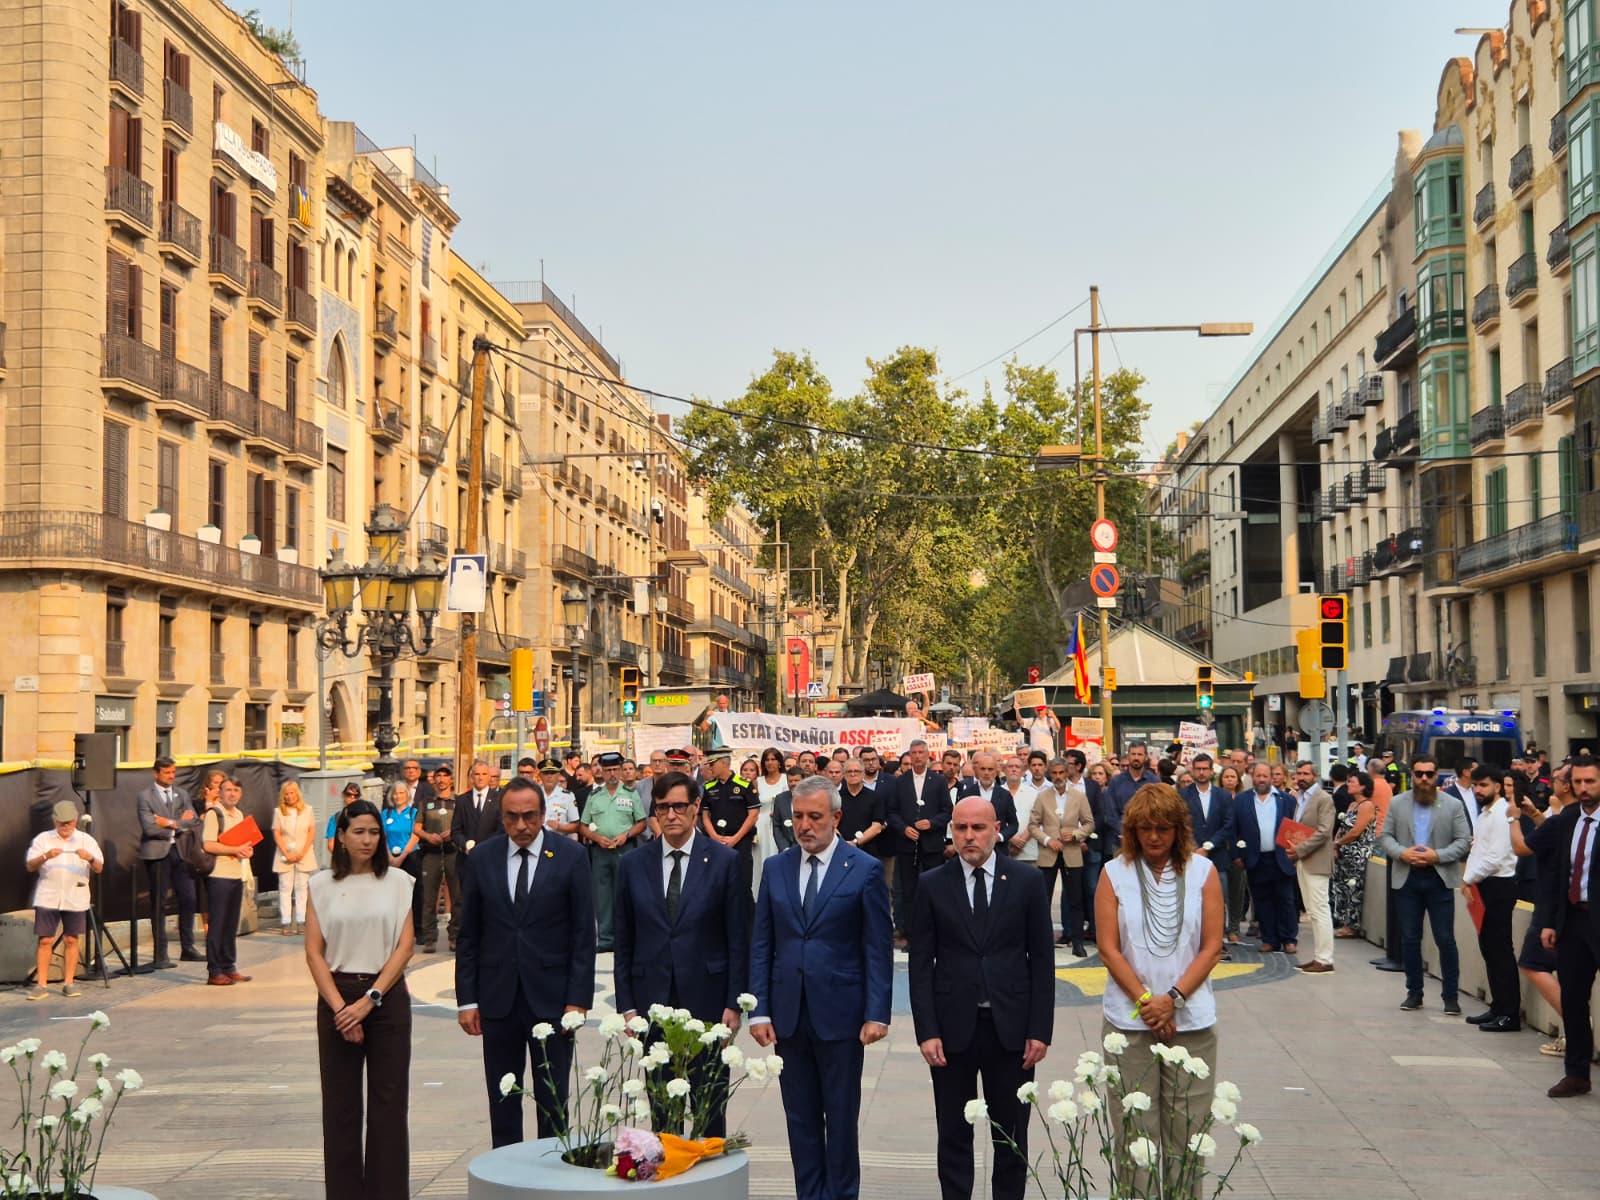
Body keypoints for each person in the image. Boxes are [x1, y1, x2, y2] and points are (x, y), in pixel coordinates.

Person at [750, 774, 892, 1200]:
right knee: (801, 1119)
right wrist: (759, 1009)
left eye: (815, 817)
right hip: (789, 1015)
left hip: (842, 1015)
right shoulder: (776, 868)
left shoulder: (864, 870)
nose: (805, 826)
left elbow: (877, 948)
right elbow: (762, 942)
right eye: (798, 817)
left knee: (841, 1118)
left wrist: (876, 1012)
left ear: (837, 817)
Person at [910, 797, 1053, 1200]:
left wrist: (1040, 1030)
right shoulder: (932, 883)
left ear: (996, 830)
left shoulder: (1026, 882)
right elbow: (920, 964)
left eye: (978, 828)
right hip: (951, 1030)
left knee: (1010, 1136)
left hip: (1011, 1030)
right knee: (953, 1133)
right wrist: (927, 1031)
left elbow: (1042, 961)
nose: (969, 836)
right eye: (961, 828)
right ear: (951, 831)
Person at [1096, 784, 1224, 1196]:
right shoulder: (1114, 873)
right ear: (1131, 830)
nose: (1154, 837)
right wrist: (1148, 1004)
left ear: (1179, 830)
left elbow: (1211, 946)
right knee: (1136, 1135)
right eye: (1146, 828)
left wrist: (1174, 1000)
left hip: (1192, 1022)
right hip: (1129, 1022)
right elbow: (1109, 948)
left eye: (1164, 829)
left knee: (1187, 1136)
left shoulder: (1203, 872)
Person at [456, 778, 596, 1145]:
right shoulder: (483, 858)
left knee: (553, 1101)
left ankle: (550, 1178)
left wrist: (578, 1000)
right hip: (498, 1000)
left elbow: (583, 934)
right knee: (503, 1100)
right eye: (512, 817)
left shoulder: (571, 857)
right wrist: (467, 999)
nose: (521, 826)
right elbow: (468, 934)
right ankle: (507, 1179)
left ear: (543, 814)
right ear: (501, 817)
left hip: (552, 1000)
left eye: (529, 817)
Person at [613, 770, 749, 1138]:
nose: (670, 815)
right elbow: (623, 942)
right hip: (653, 1002)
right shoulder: (633, 865)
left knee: (709, 1109)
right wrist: (627, 1006)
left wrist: (734, 1004)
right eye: (662, 808)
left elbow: (739, 937)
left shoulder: (724, 862)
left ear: (695, 807)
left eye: (678, 806)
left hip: (708, 1003)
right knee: (664, 1112)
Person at [305, 799, 416, 1200]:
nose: (367, 840)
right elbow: (314, 952)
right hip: (336, 997)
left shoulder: (399, 883)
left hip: (385, 997)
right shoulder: (320, 885)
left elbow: (405, 948)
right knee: (341, 1109)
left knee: (389, 1108)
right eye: (359, 832)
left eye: (374, 832)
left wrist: (369, 1001)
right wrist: (340, 1009)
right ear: (342, 837)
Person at [1529, 752, 1600, 1097]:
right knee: (1572, 998)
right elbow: (1557, 875)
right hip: (1573, 921)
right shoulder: (1568, 818)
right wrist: (1549, 921)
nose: (1583, 788)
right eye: (1578, 782)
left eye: (1590, 782)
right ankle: (1577, 1074)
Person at [1377, 755, 1472, 1014]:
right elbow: (1385, 836)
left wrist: (1436, 856)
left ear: (1436, 774)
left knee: (1445, 939)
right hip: (1407, 878)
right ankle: (1414, 992)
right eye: (1419, 774)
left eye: (1429, 774)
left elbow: (1464, 840)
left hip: (1438, 878)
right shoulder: (1398, 803)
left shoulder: (1452, 805)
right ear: (1413, 775)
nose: (1424, 779)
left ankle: (1450, 996)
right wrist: (1402, 853)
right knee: (1409, 939)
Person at [1510, 765, 1568, 1059]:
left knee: (1533, 962)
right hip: (1565, 903)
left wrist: (1514, 819)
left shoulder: (1563, 820)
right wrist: (1534, 814)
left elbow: (1522, 848)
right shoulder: (1569, 819)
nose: (1550, 784)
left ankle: (1574, 1025)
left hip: (1552, 906)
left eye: (1556, 780)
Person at [1461, 766, 1521, 1032]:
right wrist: (1469, 880)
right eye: (1475, 785)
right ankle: (1498, 1007)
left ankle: (1510, 1013)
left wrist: (1468, 879)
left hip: (1499, 885)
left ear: (1498, 786)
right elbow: (1477, 849)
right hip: (1483, 884)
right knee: (1489, 949)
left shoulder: (1502, 813)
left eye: (1483, 785)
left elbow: (1495, 857)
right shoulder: (1485, 813)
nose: (1478, 790)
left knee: (1501, 951)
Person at [24, 801, 103, 1000]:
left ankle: (69, 982)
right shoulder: (44, 839)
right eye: (61, 823)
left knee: (71, 939)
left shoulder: (86, 840)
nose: (65, 827)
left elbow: (100, 867)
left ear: (76, 820)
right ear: (54, 821)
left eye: (69, 822)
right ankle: (41, 985)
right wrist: (45, 856)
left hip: (75, 896)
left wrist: (90, 858)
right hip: (48, 895)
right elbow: (30, 866)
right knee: (45, 940)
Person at [887, 739, 953, 946]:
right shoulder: (900, 781)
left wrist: (932, 823)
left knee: (934, 887)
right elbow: (892, 813)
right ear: (909, 755)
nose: (917, 756)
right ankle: (910, 934)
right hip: (907, 846)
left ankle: (934, 931)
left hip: (932, 845)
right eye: (913, 753)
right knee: (908, 891)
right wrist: (904, 828)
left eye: (920, 752)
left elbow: (947, 811)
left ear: (927, 755)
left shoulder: (938, 781)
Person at [136, 756, 200, 968]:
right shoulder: (144, 796)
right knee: (159, 903)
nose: (171, 776)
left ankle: (188, 947)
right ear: (156, 774)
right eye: (167, 773)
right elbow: (150, 828)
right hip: (157, 854)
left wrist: (169, 822)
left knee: (189, 898)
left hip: (180, 851)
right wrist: (179, 823)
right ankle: (160, 952)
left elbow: (193, 821)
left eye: (173, 772)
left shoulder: (181, 794)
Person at [1027, 758, 1094, 955]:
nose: (1057, 777)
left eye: (1061, 773)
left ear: (1067, 773)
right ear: (1050, 774)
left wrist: (1075, 835)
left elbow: (1089, 823)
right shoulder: (1043, 796)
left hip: (1072, 853)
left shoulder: (1078, 796)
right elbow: (1033, 825)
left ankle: (1077, 942)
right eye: (1054, 773)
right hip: (1048, 853)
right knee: (1043, 899)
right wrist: (1048, 840)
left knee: (1075, 899)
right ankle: (1042, 941)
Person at [1231, 763, 1298, 955]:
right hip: (1255, 859)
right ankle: (1270, 939)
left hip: (1281, 858)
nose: (1261, 779)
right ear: (1253, 777)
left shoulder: (1286, 800)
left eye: (1265, 776)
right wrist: (1237, 855)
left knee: (1286, 900)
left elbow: (1294, 828)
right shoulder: (1242, 800)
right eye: (1258, 776)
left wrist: (1295, 853)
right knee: (1262, 902)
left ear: (1272, 778)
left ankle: (1289, 939)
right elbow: (1233, 829)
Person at [583, 751, 647, 953]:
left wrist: (626, 835)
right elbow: (583, 825)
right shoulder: (594, 796)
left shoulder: (630, 795)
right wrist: (596, 838)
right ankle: (605, 938)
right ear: (602, 771)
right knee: (602, 896)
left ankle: (624, 937)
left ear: (620, 771)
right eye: (607, 770)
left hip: (624, 850)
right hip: (600, 851)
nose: (611, 774)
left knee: (624, 893)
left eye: (614, 770)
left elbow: (642, 823)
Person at [201, 776, 255, 986]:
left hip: (236, 874)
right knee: (217, 924)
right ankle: (214, 970)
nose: (232, 793)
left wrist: (246, 849)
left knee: (231, 924)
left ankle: (228, 966)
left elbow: (241, 842)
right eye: (228, 790)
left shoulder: (239, 814)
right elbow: (208, 845)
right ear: (220, 793)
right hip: (218, 875)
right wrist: (234, 849)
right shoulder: (215, 814)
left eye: (236, 790)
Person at [1287, 760, 1337, 974]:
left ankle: (1325, 959)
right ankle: (1319, 956)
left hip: (1316, 861)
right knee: (1312, 911)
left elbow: (1324, 831)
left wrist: (1300, 850)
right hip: (1303, 860)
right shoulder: (1300, 798)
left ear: (1315, 776)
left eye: (1306, 773)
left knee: (1320, 909)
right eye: (1298, 773)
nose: (1301, 777)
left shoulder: (1324, 799)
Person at [415, 769, 459, 953]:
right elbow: (417, 828)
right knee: (429, 898)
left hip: (453, 853)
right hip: (431, 853)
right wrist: (427, 836)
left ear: (451, 780)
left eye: (445, 776)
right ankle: (430, 938)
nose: (441, 780)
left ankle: (455, 936)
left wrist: (453, 833)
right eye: (438, 777)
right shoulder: (426, 803)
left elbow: (464, 825)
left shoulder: (458, 802)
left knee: (457, 896)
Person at [1332, 770, 1378, 938]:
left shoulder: (1367, 805)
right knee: (1341, 888)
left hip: (1358, 854)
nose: (1348, 784)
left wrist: (1337, 843)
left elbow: (1356, 831)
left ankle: (1352, 925)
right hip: (1344, 853)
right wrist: (1336, 845)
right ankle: (1343, 921)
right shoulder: (1352, 805)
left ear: (1363, 786)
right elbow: (1343, 827)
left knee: (1354, 889)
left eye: (1352, 782)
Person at [272, 780, 317, 936]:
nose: (290, 796)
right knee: (285, 888)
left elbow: (311, 831)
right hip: (285, 856)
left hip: (303, 855)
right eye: (286, 794)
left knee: (302, 888)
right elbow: (276, 832)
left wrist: (302, 852)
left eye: (292, 793)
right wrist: (286, 853)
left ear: (297, 794)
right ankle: (285, 921)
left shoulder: (308, 810)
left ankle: (301, 920)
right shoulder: (278, 812)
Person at [381, 781, 423, 941]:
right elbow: (382, 836)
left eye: (401, 793)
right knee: (393, 896)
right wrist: (390, 857)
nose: (398, 796)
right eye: (395, 793)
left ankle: (417, 930)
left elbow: (415, 835)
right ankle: (395, 931)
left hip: (410, 856)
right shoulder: (386, 814)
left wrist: (403, 855)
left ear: (407, 795)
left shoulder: (413, 812)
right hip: (390, 857)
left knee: (415, 894)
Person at [1102, 741, 1159, 858]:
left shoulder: (1155, 782)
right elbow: (1110, 813)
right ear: (1128, 756)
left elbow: (1159, 811)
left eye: (1140, 754)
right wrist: (1125, 833)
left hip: (1149, 841)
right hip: (1121, 841)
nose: (1136, 758)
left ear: (1146, 756)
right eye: (1133, 754)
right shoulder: (1116, 782)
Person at [1214, 764, 1249, 944]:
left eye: (1232, 777)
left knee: (1237, 891)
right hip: (1219, 851)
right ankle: (1218, 929)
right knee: (1220, 893)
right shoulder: (1215, 797)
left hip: (1238, 850)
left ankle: (1233, 928)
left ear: (1238, 780)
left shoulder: (1243, 799)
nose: (1229, 780)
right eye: (1226, 777)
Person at [753, 747, 789, 900]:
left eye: (773, 759)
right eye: (767, 759)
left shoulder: (786, 779)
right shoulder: (758, 781)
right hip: (760, 825)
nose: (770, 762)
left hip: (779, 825)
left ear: (779, 762)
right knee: (759, 861)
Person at [452, 760, 503, 856]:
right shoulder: (461, 800)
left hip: (491, 855)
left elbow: (501, 829)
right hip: (467, 858)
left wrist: (484, 847)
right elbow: (455, 830)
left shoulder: (500, 799)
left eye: (484, 774)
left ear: (489, 777)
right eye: (477, 774)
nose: (480, 778)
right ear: (471, 777)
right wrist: (465, 845)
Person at [837, 758, 887, 855]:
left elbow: (877, 827)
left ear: (863, 774)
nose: (852, 774)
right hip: (840, 849)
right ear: (843, 775)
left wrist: (855, 842)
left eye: (856, 771)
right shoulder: (835, 797)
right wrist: (843, 843)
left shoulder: (875, 797)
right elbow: (831, 824)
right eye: (849, 771)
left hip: (868, 851)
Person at [537, 759, 581, 840]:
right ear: (540, 775)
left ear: (558, 775)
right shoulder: (534, 794)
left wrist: (559, 827)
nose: (549, 776)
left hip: (559, 841)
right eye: (546, 773)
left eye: (553, 773)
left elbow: (576, 825)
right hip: (538, 841)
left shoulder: (568, 796)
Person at [771, 766, 804, 854]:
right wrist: (784, 848)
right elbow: (776, 826)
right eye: (790, 781)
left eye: (796, 780)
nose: (793, 783)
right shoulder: (780, 799)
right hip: (786, 851)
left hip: (806, 848)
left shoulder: (812, 798)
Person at [326, 782, 363, 855]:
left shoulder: (365, 817)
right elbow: (331, 844)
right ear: (343, 796)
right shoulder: (336, 818)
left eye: (356, 796)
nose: (352, 798)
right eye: (349, 795)